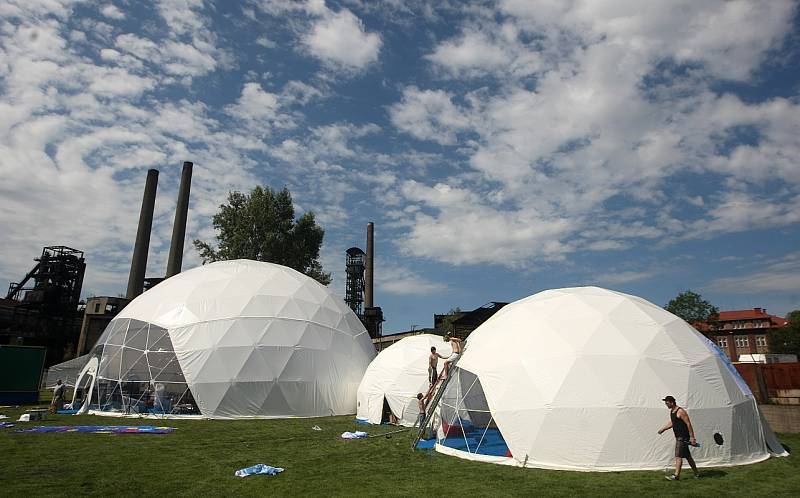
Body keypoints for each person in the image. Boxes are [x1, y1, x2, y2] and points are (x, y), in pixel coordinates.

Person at [657, 395, 700, 480]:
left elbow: (688, 424)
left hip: (683, 437)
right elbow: (673, 423)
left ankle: (676, 476)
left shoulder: (680, 411)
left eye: (667, 402)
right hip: (679, 437)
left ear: (672, 402)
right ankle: (697, 473)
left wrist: (692, 437)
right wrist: (663, 429)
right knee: (688, 457)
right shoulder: (672, 411)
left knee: (678, 456)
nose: (666, 404)